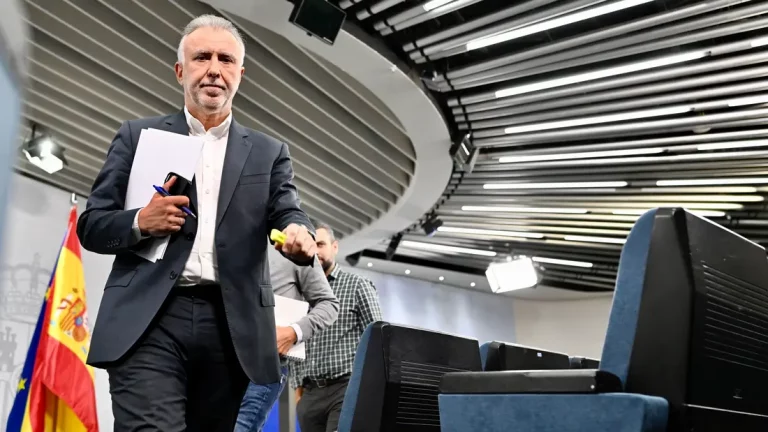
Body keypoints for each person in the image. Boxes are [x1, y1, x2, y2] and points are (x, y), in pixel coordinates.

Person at [77, 14, 317, 432]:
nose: (214, 69)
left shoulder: (269, 151)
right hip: (149, 319)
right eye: (201, 57)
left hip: (231, 326)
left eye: (226, 60)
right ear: (180, 70)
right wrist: (140, 222)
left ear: (240, 74)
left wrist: (300, 232)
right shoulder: (138, 135)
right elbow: (92, 224)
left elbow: (288, 211)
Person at [235, 245, 339, 432]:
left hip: (264, 364)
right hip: (217, 357)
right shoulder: (227, 240)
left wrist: (293, 332)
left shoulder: (296, 247)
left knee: (240, 427)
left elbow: (329, 304)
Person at [295, 222, 383, 432]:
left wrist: (369, 390)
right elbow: (296, 341)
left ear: (334, 247)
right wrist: (298, 388)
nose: (315, 251)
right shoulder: (299, 292)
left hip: (346, 389)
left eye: (321, 244)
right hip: (309, 395)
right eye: (311, 245)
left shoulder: (358, 285)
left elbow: (378, 342)